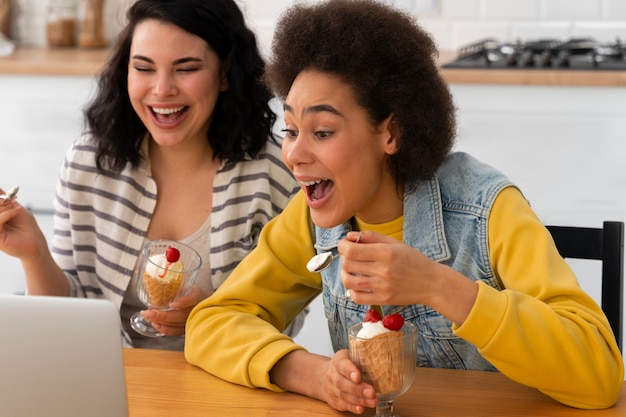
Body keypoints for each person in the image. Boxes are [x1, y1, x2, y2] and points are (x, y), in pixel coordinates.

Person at [184, 0, 624, 413]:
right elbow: (213, 322)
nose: (295, 154)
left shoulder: (488, 209)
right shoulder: (310, 217)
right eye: (291, 128)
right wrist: (311, 375)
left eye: (322, 132)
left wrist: (438, 286)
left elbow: (599, 374)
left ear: (390, 133)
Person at [0, 0, 300, 350]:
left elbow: (285, 323)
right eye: (143, 68)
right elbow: (67, 317)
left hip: (227, 388)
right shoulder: (89, 162)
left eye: (185, 68)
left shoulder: (276, 172)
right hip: (106, 381)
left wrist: (215, 314)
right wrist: (34, 253)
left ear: (225, 73)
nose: (161, 89)